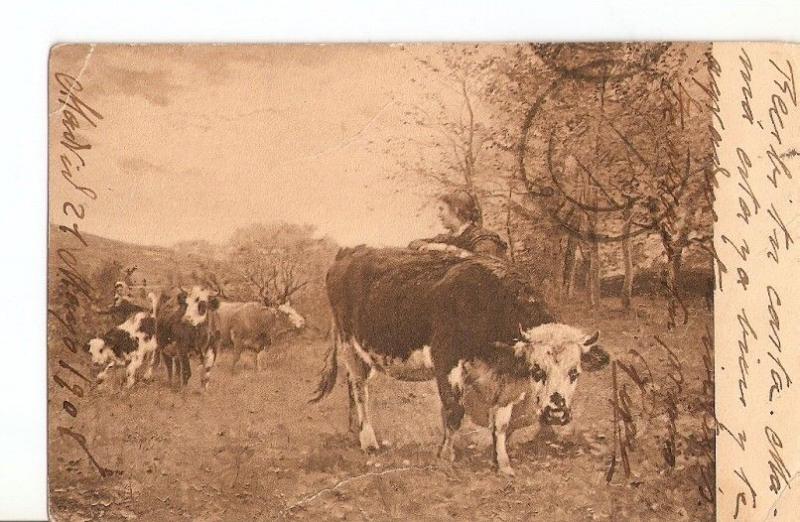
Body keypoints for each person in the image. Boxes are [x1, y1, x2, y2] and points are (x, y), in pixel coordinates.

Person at [408, 190, 507, 258]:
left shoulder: (482, 237)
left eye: (442, 209)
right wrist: (429, 247)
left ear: (456, 210)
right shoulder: (445, 238)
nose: (439, 215)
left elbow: (484, 263)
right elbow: (414, 243)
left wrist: (446, 249)